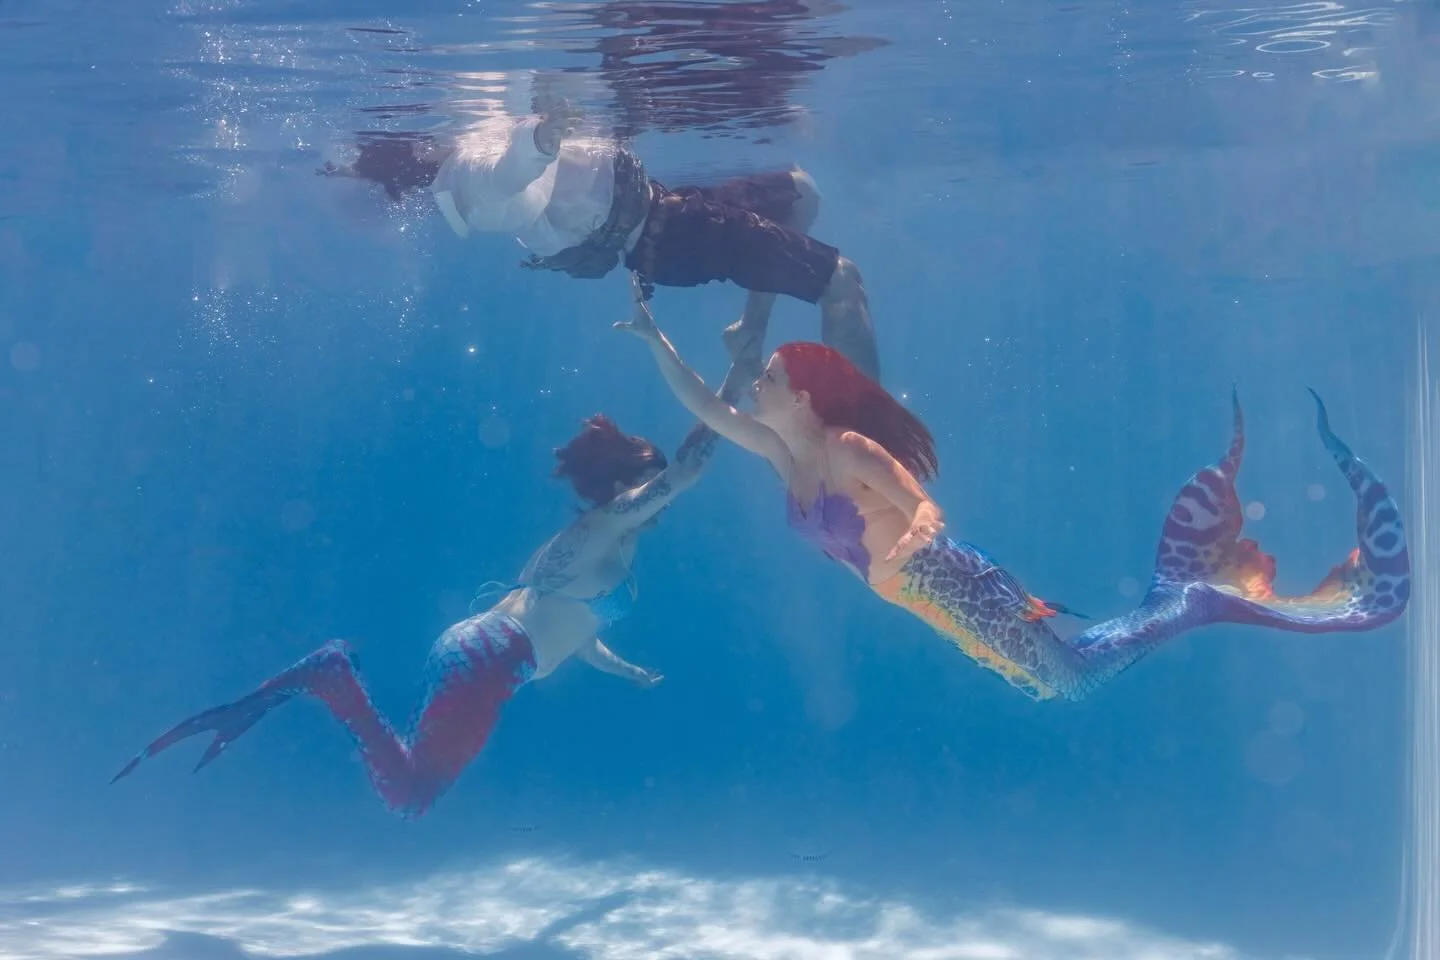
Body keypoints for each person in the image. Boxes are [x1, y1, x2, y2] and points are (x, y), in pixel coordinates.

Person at [615, 277, 1411, 701]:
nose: (755, 387)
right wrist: (657, 343)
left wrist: (923, 538)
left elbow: (926, 506)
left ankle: (1196, 600)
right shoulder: (783, 456)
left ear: (804, 400)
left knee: (1071, 684)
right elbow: (706, 409)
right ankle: (1187, 597)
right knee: (1066, 682)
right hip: (926, 601)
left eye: (769, 377)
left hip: (951, 582)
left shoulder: (846, 449)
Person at [110, 347, 763, 818]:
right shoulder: (604, 530)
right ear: (628, 490)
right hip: (492, 659)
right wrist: (741, 356)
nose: (661, 502)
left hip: (481, 650)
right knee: (412, 796)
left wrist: (626, 671)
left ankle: (329, 680)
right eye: (649, 491)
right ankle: (331, 674)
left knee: (415, 786)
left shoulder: (597, 544)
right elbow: (691, 466)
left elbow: (578, 627)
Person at [319, 97, 880, 381]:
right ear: (417, 149)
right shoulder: (466, 172)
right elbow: (509, 172)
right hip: (673, 232)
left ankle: (750, 332)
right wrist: (541, 134)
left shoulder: (461, 169)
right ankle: (859, 454)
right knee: (841, 281)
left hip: (666, 210)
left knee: (801, 193)